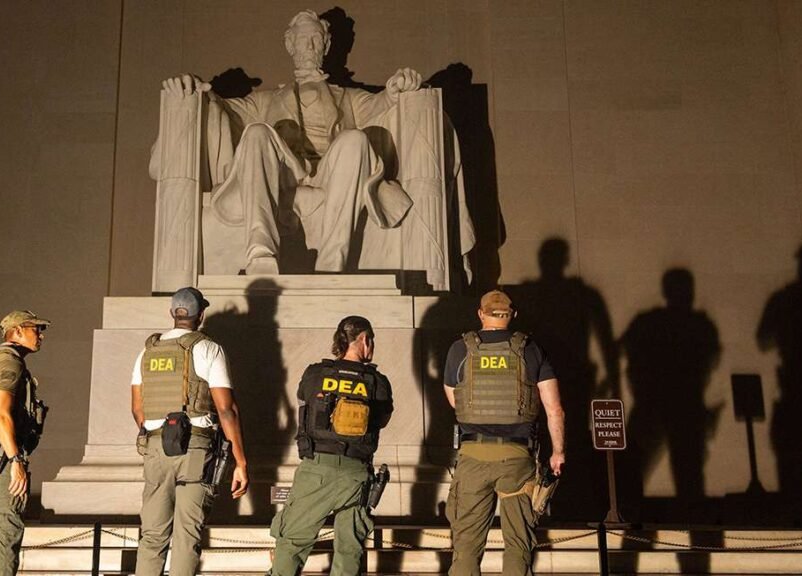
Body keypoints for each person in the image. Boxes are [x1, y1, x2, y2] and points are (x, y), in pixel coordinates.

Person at [160, 10, 423, 274]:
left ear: (327, 45)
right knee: (256, 133)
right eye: (302, 39)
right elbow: (221, 106)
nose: (309, 46)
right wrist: (194, 88)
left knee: (355, 138)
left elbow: (381, 104)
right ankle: (261, 251)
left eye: (316, 39)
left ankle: (332, 264)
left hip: (331, 176)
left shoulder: (348, 97)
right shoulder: (265, 101)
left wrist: (395, 89)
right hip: (283, 174)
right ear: (289, 45)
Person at [442, 290, 564, 576]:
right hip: (517, 458)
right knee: (519, 544)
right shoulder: (530, 348)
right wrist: (558, 452)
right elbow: (554, 409)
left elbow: (454, 401)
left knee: (466, 546)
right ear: (513, 315)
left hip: (473, 457)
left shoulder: (461, 349)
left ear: (480, 314)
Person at [130, 287, 249, 576]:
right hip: (195, 446)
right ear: (201, 315)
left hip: (156, 447)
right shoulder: (209, 348)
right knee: (187, 535)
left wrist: (161, 436)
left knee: (152, 535)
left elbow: (138, 410)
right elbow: (226, 410)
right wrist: (240, 461)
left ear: (173, 313)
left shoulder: (148, 351)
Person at [269, 315, 394, 576]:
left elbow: (304, 400)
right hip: (355, 473)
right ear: (364, 340)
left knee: (293, 540)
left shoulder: (315, 374)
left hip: (316, 469)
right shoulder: (377, 382)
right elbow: (381, 420)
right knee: (349, 548)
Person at [0, 310, 51, 576]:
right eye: (34, 329)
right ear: (16, 332)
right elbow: (0, 413)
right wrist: (15, 460)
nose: (40, 335)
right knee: (5, 532)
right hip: (0, 458)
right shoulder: (9, 363)